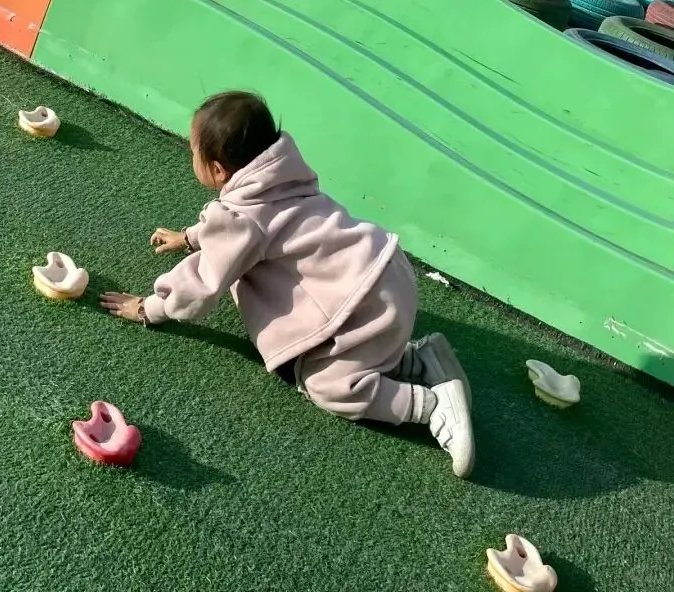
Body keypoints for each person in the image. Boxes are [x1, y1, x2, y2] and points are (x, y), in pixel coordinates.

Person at [101, 90, 475, 478]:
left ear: (218, 170)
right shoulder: (283, 172)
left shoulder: (240, 219)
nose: (189, 155)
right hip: (385, 269)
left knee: (330, 385)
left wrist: (149, 307)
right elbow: (247, 226)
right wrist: (191, 237)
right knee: (361, 346)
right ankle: (420, 360)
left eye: (192, 151)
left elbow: (201, 283)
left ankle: (431, 406)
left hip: (359, 301)